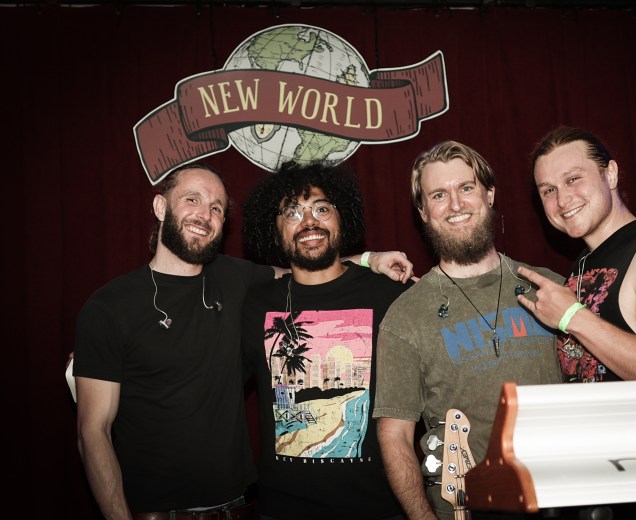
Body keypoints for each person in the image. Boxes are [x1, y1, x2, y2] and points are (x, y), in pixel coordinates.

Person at [73, 162, 413, 519]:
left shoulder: (236, 280)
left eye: (216, 207)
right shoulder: (109, 307)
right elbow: (92, 433)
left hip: (241, 507)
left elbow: (308, 265)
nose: (204, 214)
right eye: (192, 199)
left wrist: (369, 259)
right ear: (161, 207)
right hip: (161, 511)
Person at [373, 141, 564, 520]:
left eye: (466, 188)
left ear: (489, 194)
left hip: (565, 499)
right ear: (424, 212)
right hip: (466, 509)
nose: (456, 205)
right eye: (438, 195)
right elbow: (394, 437)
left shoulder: (551, 287)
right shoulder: (405, 317)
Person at [240, 160, 413, 520]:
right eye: (292, 212)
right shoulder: (255, 305)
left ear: (341, 217)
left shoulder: (390, 295)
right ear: (274, 230)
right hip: (283, 510)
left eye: (321, 208)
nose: (309, 221)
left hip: (379, 509)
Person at [517, 126, 636, 383]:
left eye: (573, 179)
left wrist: (571, 316)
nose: (562, 199)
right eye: (548, 190)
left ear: (610, 175)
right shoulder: (583, 265)